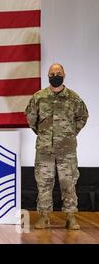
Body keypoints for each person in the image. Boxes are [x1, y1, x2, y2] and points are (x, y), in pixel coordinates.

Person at [25, 63, 88, 230]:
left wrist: (70, 133)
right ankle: (44, 217)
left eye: (58, 73)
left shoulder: (73, 98)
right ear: (48, 76)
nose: (55, 76)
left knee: (68, 182)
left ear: (64, 74)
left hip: (67, 150)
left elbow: (83, 116)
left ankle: (71, 217)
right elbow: (31, 119)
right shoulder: (39, 97)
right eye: (52, 74)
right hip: (45, 150)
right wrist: (44, 134)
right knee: (44, 183)